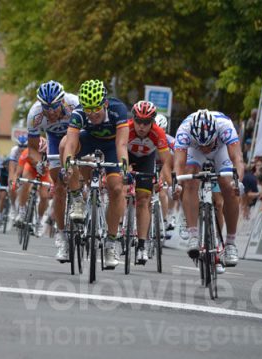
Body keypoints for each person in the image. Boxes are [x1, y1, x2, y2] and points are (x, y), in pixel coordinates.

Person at [61, 79, 129, 269]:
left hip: (112, 145)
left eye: (96, 109)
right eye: (88, 109)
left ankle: (110, 242)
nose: (92, 114)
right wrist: (67, 165)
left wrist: (124, 168)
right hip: (89, 140)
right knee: (63, 144)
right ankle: (76, 199)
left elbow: (122, 145)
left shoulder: (118, 110)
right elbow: (72, 144)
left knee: (116, 189)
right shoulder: (79, 113)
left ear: (105, 103)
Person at [173, 109, 244, 269]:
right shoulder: (184, 130)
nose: (205, 148)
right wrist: (177, 184)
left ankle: (230, 243)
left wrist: (237, 182)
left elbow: (237, 159)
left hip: (220, 150)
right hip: (193, 151)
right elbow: (178, 164)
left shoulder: (225, 126)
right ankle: (193, 235)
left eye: (208, 144)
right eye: (202, 144)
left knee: (229, 186)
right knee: (189, 179)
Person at [25, 80, 79, 260]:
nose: (51, 112)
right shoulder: (35, 115)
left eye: (54, 107)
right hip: (55, 141)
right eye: (46, 108)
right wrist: (38, 162)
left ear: (62, 101)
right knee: (59, 186)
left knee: (81, 173)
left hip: (76, 137)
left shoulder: (74, 104)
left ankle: (85, 199)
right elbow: (32, 148)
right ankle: (62, 235)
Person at [127, 101, 173, 263]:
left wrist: (164, 178)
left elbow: (166, 162)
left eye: (146, 123)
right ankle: (118, 229)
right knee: (117, 188)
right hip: (126, 156)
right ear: (133, 119)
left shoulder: (158, 133)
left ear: (152, 122)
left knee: (143, 200)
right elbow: (117, 148)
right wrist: (124, 168)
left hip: (146, 160)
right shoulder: (127, 128)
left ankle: (141, 245)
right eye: (138, 121)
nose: (141, 126)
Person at [14, 137, 51, 237]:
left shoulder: (50, 154)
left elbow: (53, 173)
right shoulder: (26, 152)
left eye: (42, 154)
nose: (38, 157)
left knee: (44, 196)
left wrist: (52, 185)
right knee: (25, 184)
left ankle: (39, 221)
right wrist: (16, 181)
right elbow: (18, 172)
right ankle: (21, 211)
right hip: (30, 169)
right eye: (37, 153)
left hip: (45, 173)